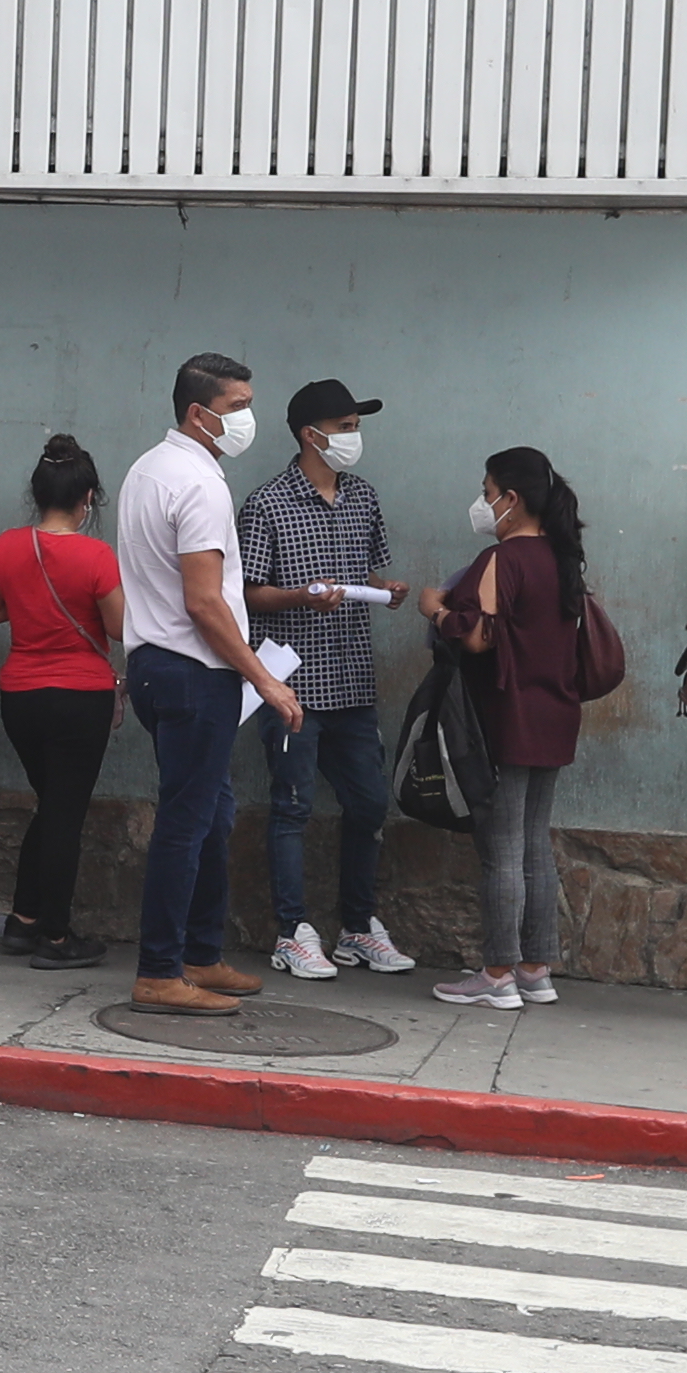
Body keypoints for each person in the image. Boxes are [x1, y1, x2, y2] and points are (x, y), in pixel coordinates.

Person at [116, 356, 321, 1014]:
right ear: (198, 413)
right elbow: (206, 604)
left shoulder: (149, 469)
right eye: (238, 405)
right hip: (193, 673)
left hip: (160, 666)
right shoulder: (198, 485)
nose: (248, 418)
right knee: (187, 822)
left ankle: (201, 956)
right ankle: (159, 970)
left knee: (211, 816)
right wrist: (265, 679)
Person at [237, 374, 410, 980]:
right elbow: (249, 597)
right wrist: (301, 598)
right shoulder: (266, 503)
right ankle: (292, 931)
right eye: (345, 428)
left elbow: (371, 571)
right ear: (311, 435)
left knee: (368, 804)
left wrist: (384, 591)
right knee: (292, 807)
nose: (354, 438)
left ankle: (358, 928)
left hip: (353, 682)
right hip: (291, 684)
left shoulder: (363, 497)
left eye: (357, 428)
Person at [422, 448, 591, 1013]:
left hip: (505, 715)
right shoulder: (564, 559)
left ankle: (496, 973)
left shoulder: (504, 558)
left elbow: (477, 637)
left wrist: (435, 611)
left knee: (501, 848)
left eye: (487, 490)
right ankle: (535, 969)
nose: (483, 501)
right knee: (534, 843)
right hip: (556, 715)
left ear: (510, 500)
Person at [0, 435, 125, 970]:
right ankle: (57, 938)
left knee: (53, 806)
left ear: (37, 493)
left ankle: (24, 920)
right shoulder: (96, 555)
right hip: (78, 695)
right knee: (66, 814)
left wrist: (29, 609)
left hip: (19, 695)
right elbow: (118, 626)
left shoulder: (4, 547)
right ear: (88, 497)